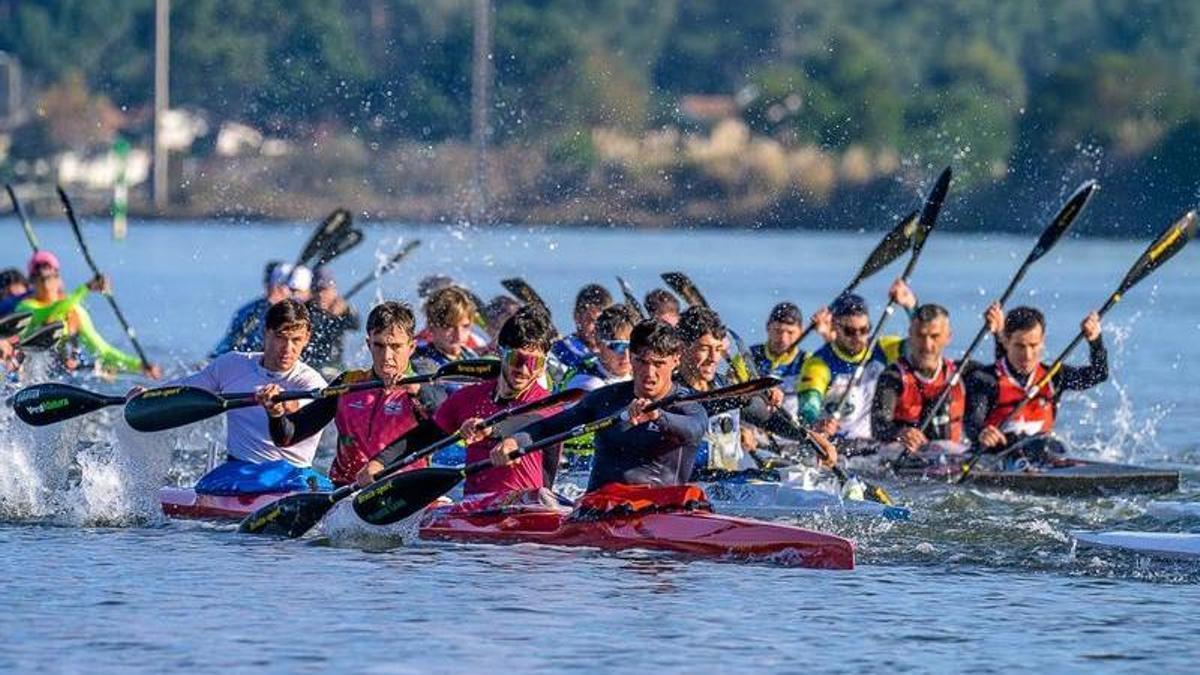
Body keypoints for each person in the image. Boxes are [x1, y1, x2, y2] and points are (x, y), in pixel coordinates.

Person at [135, 299, 331, 494]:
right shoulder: (232, 365)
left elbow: (302, 412)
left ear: (307, 338)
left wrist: (282, 405)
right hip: (239, 472)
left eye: (296, 340)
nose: (288, 348)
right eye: (280, 337)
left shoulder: (312, 383)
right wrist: (149, 395)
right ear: (266, 332)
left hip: (292, 475)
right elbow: (188, 388)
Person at [493, 319, 708, 492]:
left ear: (676, 361)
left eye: (659, 364)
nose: (649, 373)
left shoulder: (686, 405)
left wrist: (657, 416)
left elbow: (694, 431)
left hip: (662, 509)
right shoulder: (606, 398)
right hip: (600, 509)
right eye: (641, 361)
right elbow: (550, 427)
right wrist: (514, 441)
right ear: (631, 357)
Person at [265, 302, 437, 487]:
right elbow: (288, 437)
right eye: (379, 345)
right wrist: (276, 414)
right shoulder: (347, 384)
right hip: (346, 490)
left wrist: (418, 391)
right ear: (368, 344)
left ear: (411, 347)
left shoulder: (422, 388)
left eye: (396, 347)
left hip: (405, 491)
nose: (387, 356)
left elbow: (447, 419)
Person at [675, 306, 832, 477]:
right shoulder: (668, 390)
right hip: (685, 488)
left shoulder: (727, 387)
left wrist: (810, 437)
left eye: (719, 349)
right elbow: (700, 408)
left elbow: (769, 420)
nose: (714, 358)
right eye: (704, 348)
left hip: (725, 487)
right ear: (682, 348)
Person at [964, 305, 1107, 464]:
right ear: (1005, 341)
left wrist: (1095, 341)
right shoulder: (984, 379)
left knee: (1053, 446)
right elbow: (972, 422)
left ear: (1042, 340)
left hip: (1042, 453)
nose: (1028, 355)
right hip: (996, 455)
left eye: (1034, 345)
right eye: (1020, 346)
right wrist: (982, 433)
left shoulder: (1054, 376)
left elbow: (1098, 374)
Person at [870, 304, 1003, 459]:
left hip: (950, 457)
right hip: (904, 458)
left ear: (948, 337)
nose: (927, 346)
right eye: (920, 336)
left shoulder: (963, 373)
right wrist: (900, 433)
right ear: (910, 335)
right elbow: (878, 426)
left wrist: (998, 335)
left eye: (934, 336)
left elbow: (1003, 377)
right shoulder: (893, 377)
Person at [797, 280, 916, 448]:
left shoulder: (883, 349)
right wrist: (816, 423)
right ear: (835, 328)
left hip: (878, 444)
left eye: (864, 330)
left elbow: (924, 346)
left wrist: (911, 307)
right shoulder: (819, 364)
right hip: (838, 447)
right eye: (850, 331)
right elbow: (808, 408)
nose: (858, 337)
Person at [16, 250, 159, 378]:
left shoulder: (75, 312)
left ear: (59, 280)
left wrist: (138, 365)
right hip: (29, 375)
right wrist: (86, 288)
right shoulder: (25, 307)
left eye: (50, 277)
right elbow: (48, 312)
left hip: (65, 376)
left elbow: (103, 350)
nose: (46, 283)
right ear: (31, 282)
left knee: (104, 372)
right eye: (40, 278)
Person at [750, 301, 831, 418]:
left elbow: (836, 368)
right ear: (768, 327)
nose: (783, 339)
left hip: (791, 430)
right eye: (778, 331)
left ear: (800, 331)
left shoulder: (808, 361)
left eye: (790, 332)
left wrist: (826, 335)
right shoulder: (750, 356)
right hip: (755, 429)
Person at [211, 261, 309, 356]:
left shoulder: (309, 315)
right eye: (277, 286)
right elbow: (231, 344)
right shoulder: (250, 311)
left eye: (295, 291)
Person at [412, 286, 481, 410]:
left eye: (465, 326)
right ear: (431, 326)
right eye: (449, 326)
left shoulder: (471, 356)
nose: (458, 335)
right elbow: (436, 406)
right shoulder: (420, 360)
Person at [559, 304, 637, 392]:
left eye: (633, 346)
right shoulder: (587, 384)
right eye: (618, 346)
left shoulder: (641, 374)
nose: (626, 355)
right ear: (599, 343)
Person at [549, 283, 613, 377]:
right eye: (591, 320)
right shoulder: (560, 350)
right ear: (577, 316)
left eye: (604, 323)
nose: (598, 328)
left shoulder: (617, 352)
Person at [303, 267, 361, 369]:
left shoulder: (342, 309)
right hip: (308, 365)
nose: (320, 295)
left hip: (334, 365)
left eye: (324, 290)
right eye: (316, 290)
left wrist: (346, 310)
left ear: (333, 291)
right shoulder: (304, 310)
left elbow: (356, 325)